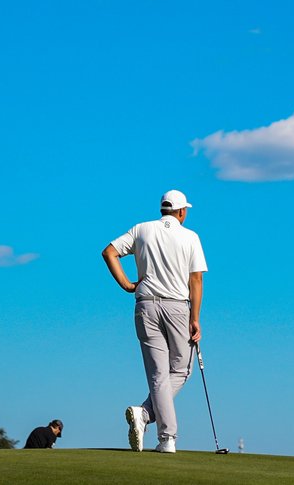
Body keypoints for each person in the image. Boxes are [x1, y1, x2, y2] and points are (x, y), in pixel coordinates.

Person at [101, 189, 208, 454]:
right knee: (181, 370)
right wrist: (195, 319)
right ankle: (163, 433)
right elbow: (196, 280)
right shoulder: (190, 236)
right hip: (177, 308)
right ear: (182, 211)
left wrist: (127, 284)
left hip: (145, 305)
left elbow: (109, 252)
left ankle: (151, 421)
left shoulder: (141, 229)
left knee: (159, 374)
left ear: (163, 209)